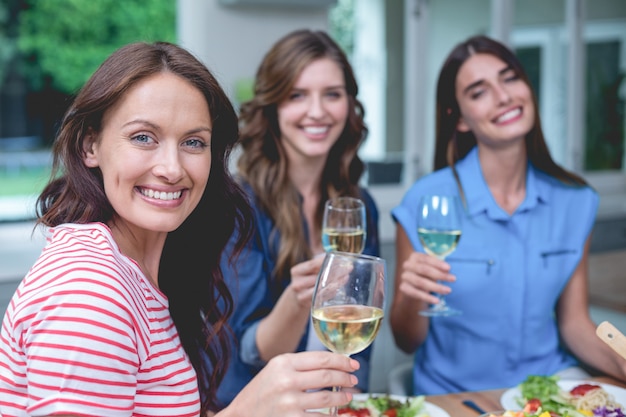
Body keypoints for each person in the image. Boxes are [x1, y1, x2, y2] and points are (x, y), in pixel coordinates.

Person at [0, 41, 362, 417]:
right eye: (143, 137)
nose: (172, 168)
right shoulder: (88, 293)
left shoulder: (138, 275)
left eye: (193, 142)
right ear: (91, 144)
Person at [389, 35, 626, 395]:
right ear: (460, 118)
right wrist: (411, 296)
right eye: (478, 91)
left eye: (509, 77)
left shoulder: (575, 201)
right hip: (457, 397)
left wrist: (622, 365)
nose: (503, 96)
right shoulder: (426, 199)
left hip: (549, 388)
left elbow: (574, 324)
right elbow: (407, 340)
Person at [215, 29, 380, 405]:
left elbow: (358, 340)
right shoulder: (237, 206)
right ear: (273, 107)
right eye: (297, 96)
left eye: (332, 95)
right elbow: (250, 351)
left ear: (349, 106)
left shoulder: (360, 206)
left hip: (340, 402)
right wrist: (298, 298)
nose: (318, 111)